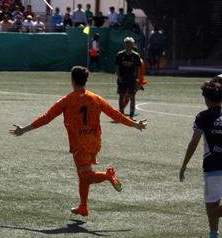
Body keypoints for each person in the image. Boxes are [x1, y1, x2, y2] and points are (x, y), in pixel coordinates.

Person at [10, 66, 147, 216]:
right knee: (83, 175)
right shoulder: (96, 98)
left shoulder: (67, 100)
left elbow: (46, 118)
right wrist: (134, 124)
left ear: (72, 80)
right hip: (94, 142)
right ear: (85, 80)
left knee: (86, 176)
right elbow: (115, 114)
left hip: (79, 144)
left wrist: (24, 129)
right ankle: (83, 206)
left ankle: (108, 176)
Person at [178, 80, 222, 238]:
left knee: (211, 210)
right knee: (212, 209)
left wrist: (184, 164)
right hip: (214, 168)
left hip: (213, 168)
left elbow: (194, 142)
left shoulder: (203, 116)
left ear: (207, 99)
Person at [116, 37, 143, 118]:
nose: (128, 45)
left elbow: (138, 68)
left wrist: (137, 80)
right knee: (121, 96)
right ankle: (121, 114)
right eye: (127, 43)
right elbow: (117, 66)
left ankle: (131, 115)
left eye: (130, 43)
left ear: (133, 45)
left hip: (132, 79)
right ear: (125, 44)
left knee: (132, 96)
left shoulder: (136, 56)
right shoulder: (120, 54)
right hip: (122, 78)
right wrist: (118, 76)